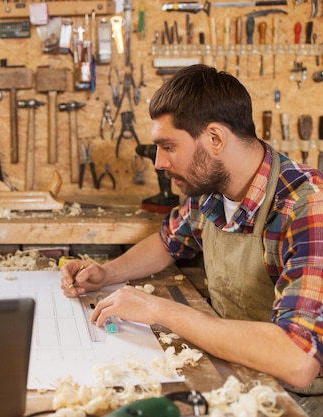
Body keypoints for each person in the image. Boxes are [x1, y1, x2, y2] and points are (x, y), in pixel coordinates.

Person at [60, 65, 323, 411]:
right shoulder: (212, 190)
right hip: (236, 371)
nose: (158, 162)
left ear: (214, 138)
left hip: (295, 398)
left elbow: (298, 360)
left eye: (168, 146)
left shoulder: (305, 205)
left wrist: (159, 309)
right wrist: (107, 273)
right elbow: (168, 242)